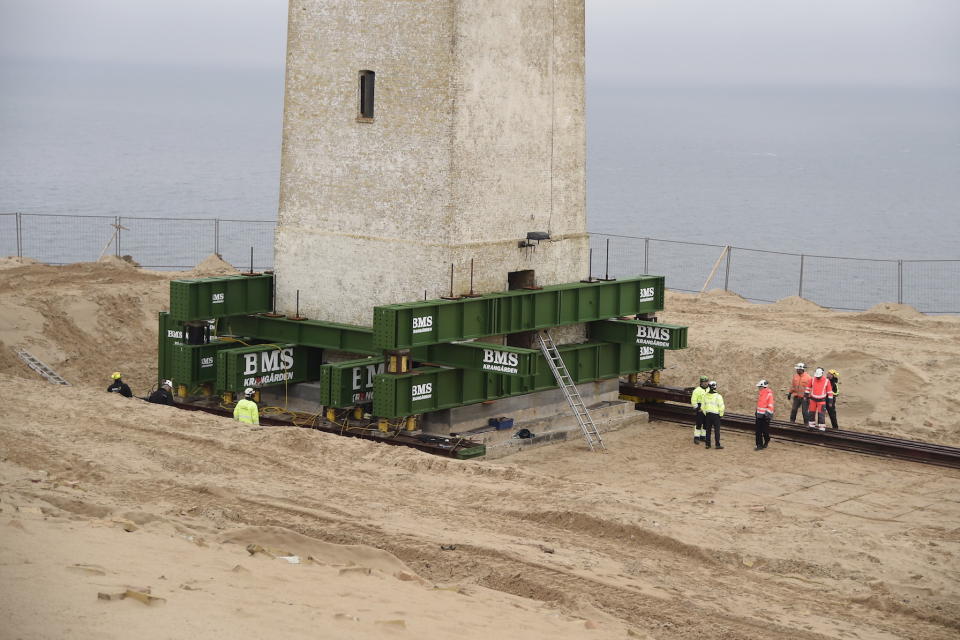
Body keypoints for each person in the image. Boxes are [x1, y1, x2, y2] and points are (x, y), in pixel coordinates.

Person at [701, 380, 725, 449]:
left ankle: (707, 444)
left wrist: (706, 413)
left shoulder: (705, 396)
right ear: (715, 387)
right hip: (716, 416)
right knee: (717, 430)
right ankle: (717, 445)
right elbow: (722, 406)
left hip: (708, 415)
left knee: (708, 430)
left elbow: (703, 407)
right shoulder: (718, 396)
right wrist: (721, 414)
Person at [755, 379, 774, 450]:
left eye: (760, 387)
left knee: (765, 431)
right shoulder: (761, 393)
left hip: (765, 416)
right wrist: (757, 411)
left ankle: (767, 440)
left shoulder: (769, 394)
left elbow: (770, 406)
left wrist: (767, 415)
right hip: (759, 415)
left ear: (764, 387)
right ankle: (759, 445)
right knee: (758, 431)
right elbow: (760, 404)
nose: (759, 388)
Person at [690, 375, 709, 443]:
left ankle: (703, 436)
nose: (705, 383)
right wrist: (697, 408)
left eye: (706, 382)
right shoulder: (697, 390)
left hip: (707, 408)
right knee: (699, 423)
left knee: (706, 423)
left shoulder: (709, 389)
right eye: (704, 382)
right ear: (701, 382)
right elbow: (693, 400)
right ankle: (696, 437)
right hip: (700, 408)